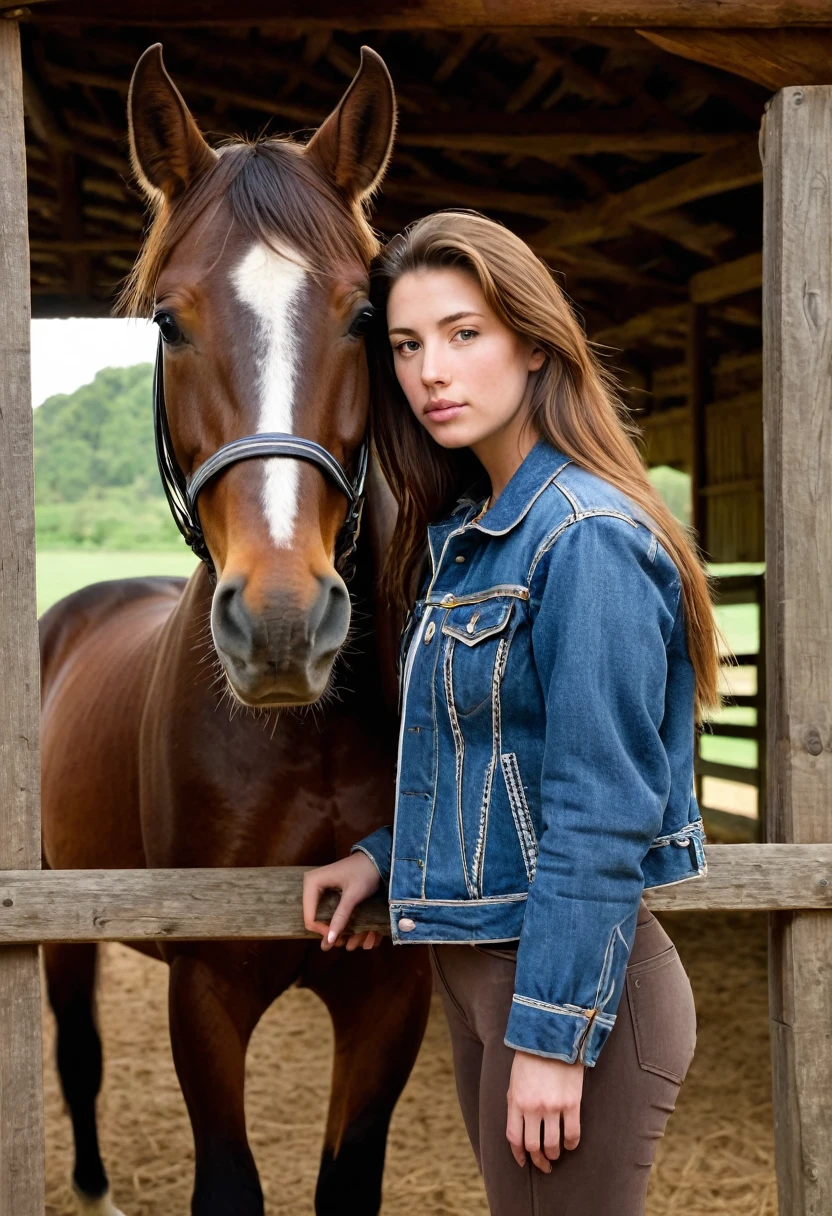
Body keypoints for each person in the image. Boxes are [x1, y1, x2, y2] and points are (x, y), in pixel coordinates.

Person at [303, 210, 718, 1215]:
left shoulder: (582, 538)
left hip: (573, 998)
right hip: (486, 973)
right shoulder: (473, 539)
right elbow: (495, 758)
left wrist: (550, 1033)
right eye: (406, 345)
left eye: (462, 333)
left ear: (533, 342)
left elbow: (599, 803)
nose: (429, 371)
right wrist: (386, 855)